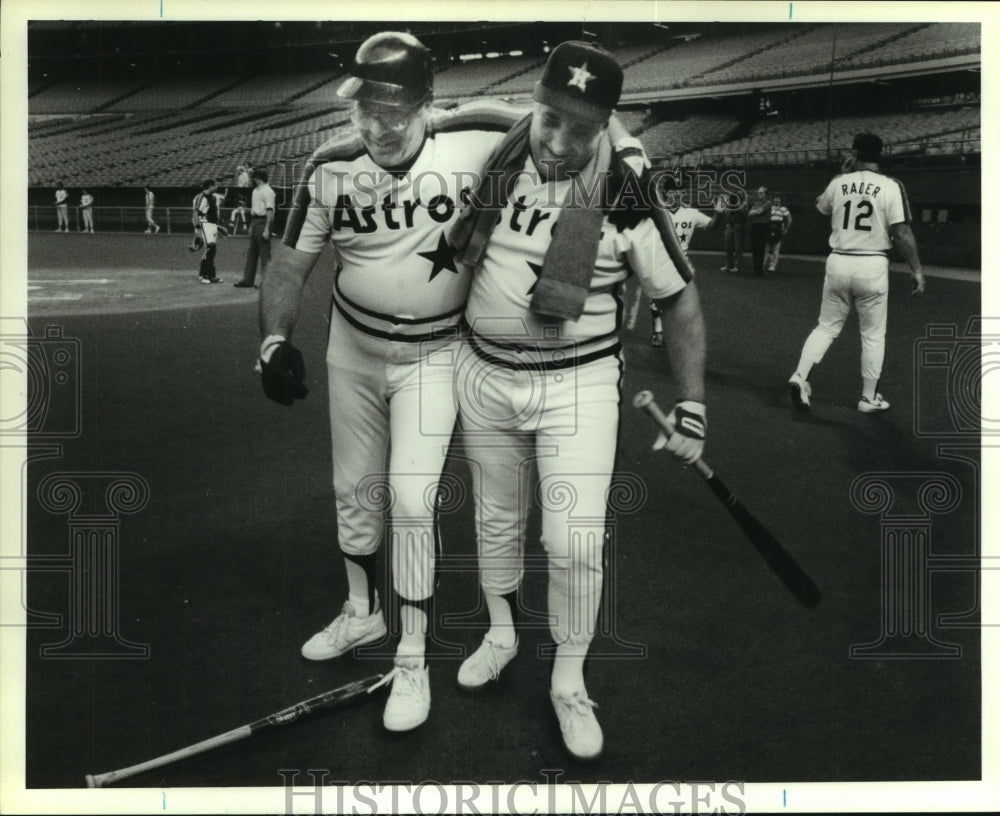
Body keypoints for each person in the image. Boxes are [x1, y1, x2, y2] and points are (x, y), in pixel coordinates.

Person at [449, 41, 707, 762]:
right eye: (549, 121)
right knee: (497, 519)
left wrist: (694, 408)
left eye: (583, 130)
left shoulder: (625, 189)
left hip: (578, 381)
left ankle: (568, 677)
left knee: (572, 540)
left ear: (605, 129)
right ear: (534, 105)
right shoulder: (496, 157)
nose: (559, 144)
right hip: (485, 372)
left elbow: (680, 301)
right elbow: (454, 115)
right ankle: (500, 634)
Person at [788, 132, 924, 413]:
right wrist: (917, 270)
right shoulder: (890, 185)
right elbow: (901, 231)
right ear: (880, 155)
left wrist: (842, 175)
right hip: (871, 264)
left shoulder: (839, 182)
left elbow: (820, 206)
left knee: (826, 327)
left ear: (854, 153)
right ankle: (868, 398)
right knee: (873, 335)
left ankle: (800, 376)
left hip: (838, 261)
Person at [637, 186, 722, 346]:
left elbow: (712, 226)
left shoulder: (691, 213)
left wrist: (719, 213)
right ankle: (658, 332)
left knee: (681, 300)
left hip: (681, 262)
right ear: (666, 193)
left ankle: (678, 334)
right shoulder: (656, 213)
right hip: (660, 260)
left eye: (681, 191)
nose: (677, 194)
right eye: (673, 191)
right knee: (656, 298)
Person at [234, 170, 275, 288]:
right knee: (252, 252)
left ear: (258, 178)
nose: (253, 180)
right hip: (256, 220)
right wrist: (252, 226)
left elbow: (270, 211)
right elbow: (255, 209)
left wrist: (267, 229)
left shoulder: (268, 191)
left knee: (264, 253)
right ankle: (247, 280)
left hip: (263, 222)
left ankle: (267, 282)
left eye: (254, 178)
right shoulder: (255, 191)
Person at [193, 178, 223, 284]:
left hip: (211, 225)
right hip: (204, 224)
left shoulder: (212, 197)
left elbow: (212, 214)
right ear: (210, 186)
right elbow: (196, 213)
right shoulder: (201, 197)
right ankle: (203, 275)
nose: (216, 187)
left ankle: (210, 275)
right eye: (214, 185)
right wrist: (197, 229)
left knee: (212, 250)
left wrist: (216, 228)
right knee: (210, 249)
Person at [719, 190, 748, 273]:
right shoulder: (730, 203)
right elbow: (726, 213)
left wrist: (738, 205)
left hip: (738, 225)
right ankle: (729, 265)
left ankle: (738, 266)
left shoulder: (744, 204)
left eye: (740, 194)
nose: (738, 196)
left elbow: (745, 214)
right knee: (728, 246)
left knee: (738, 247)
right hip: (729, 225)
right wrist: (729, 206)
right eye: (737, 194)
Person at [747, 185, 772, 276]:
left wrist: (754, 212)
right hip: (755, 226)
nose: (759, 194)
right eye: (758, 193)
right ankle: (755, 268)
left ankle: (759, 270)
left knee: (760, 248)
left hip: (763, 227)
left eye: (761, 193)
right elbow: (749, 213)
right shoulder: (756, 203)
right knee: (754, 248)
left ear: (765, 194)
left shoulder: (768, 203)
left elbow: (759, 212)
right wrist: (754, 212)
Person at [764, 193, 792, 273]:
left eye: (778, 199)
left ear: (781, 200)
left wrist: (786, 229)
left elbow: (789, 219)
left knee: (775, 249)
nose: (776, 200)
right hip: (769, 229)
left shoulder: (784, 209)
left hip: (778, 230)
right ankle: (762, 264)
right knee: (766, 248)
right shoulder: (771, 208)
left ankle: (772, 266)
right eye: (775, 198)